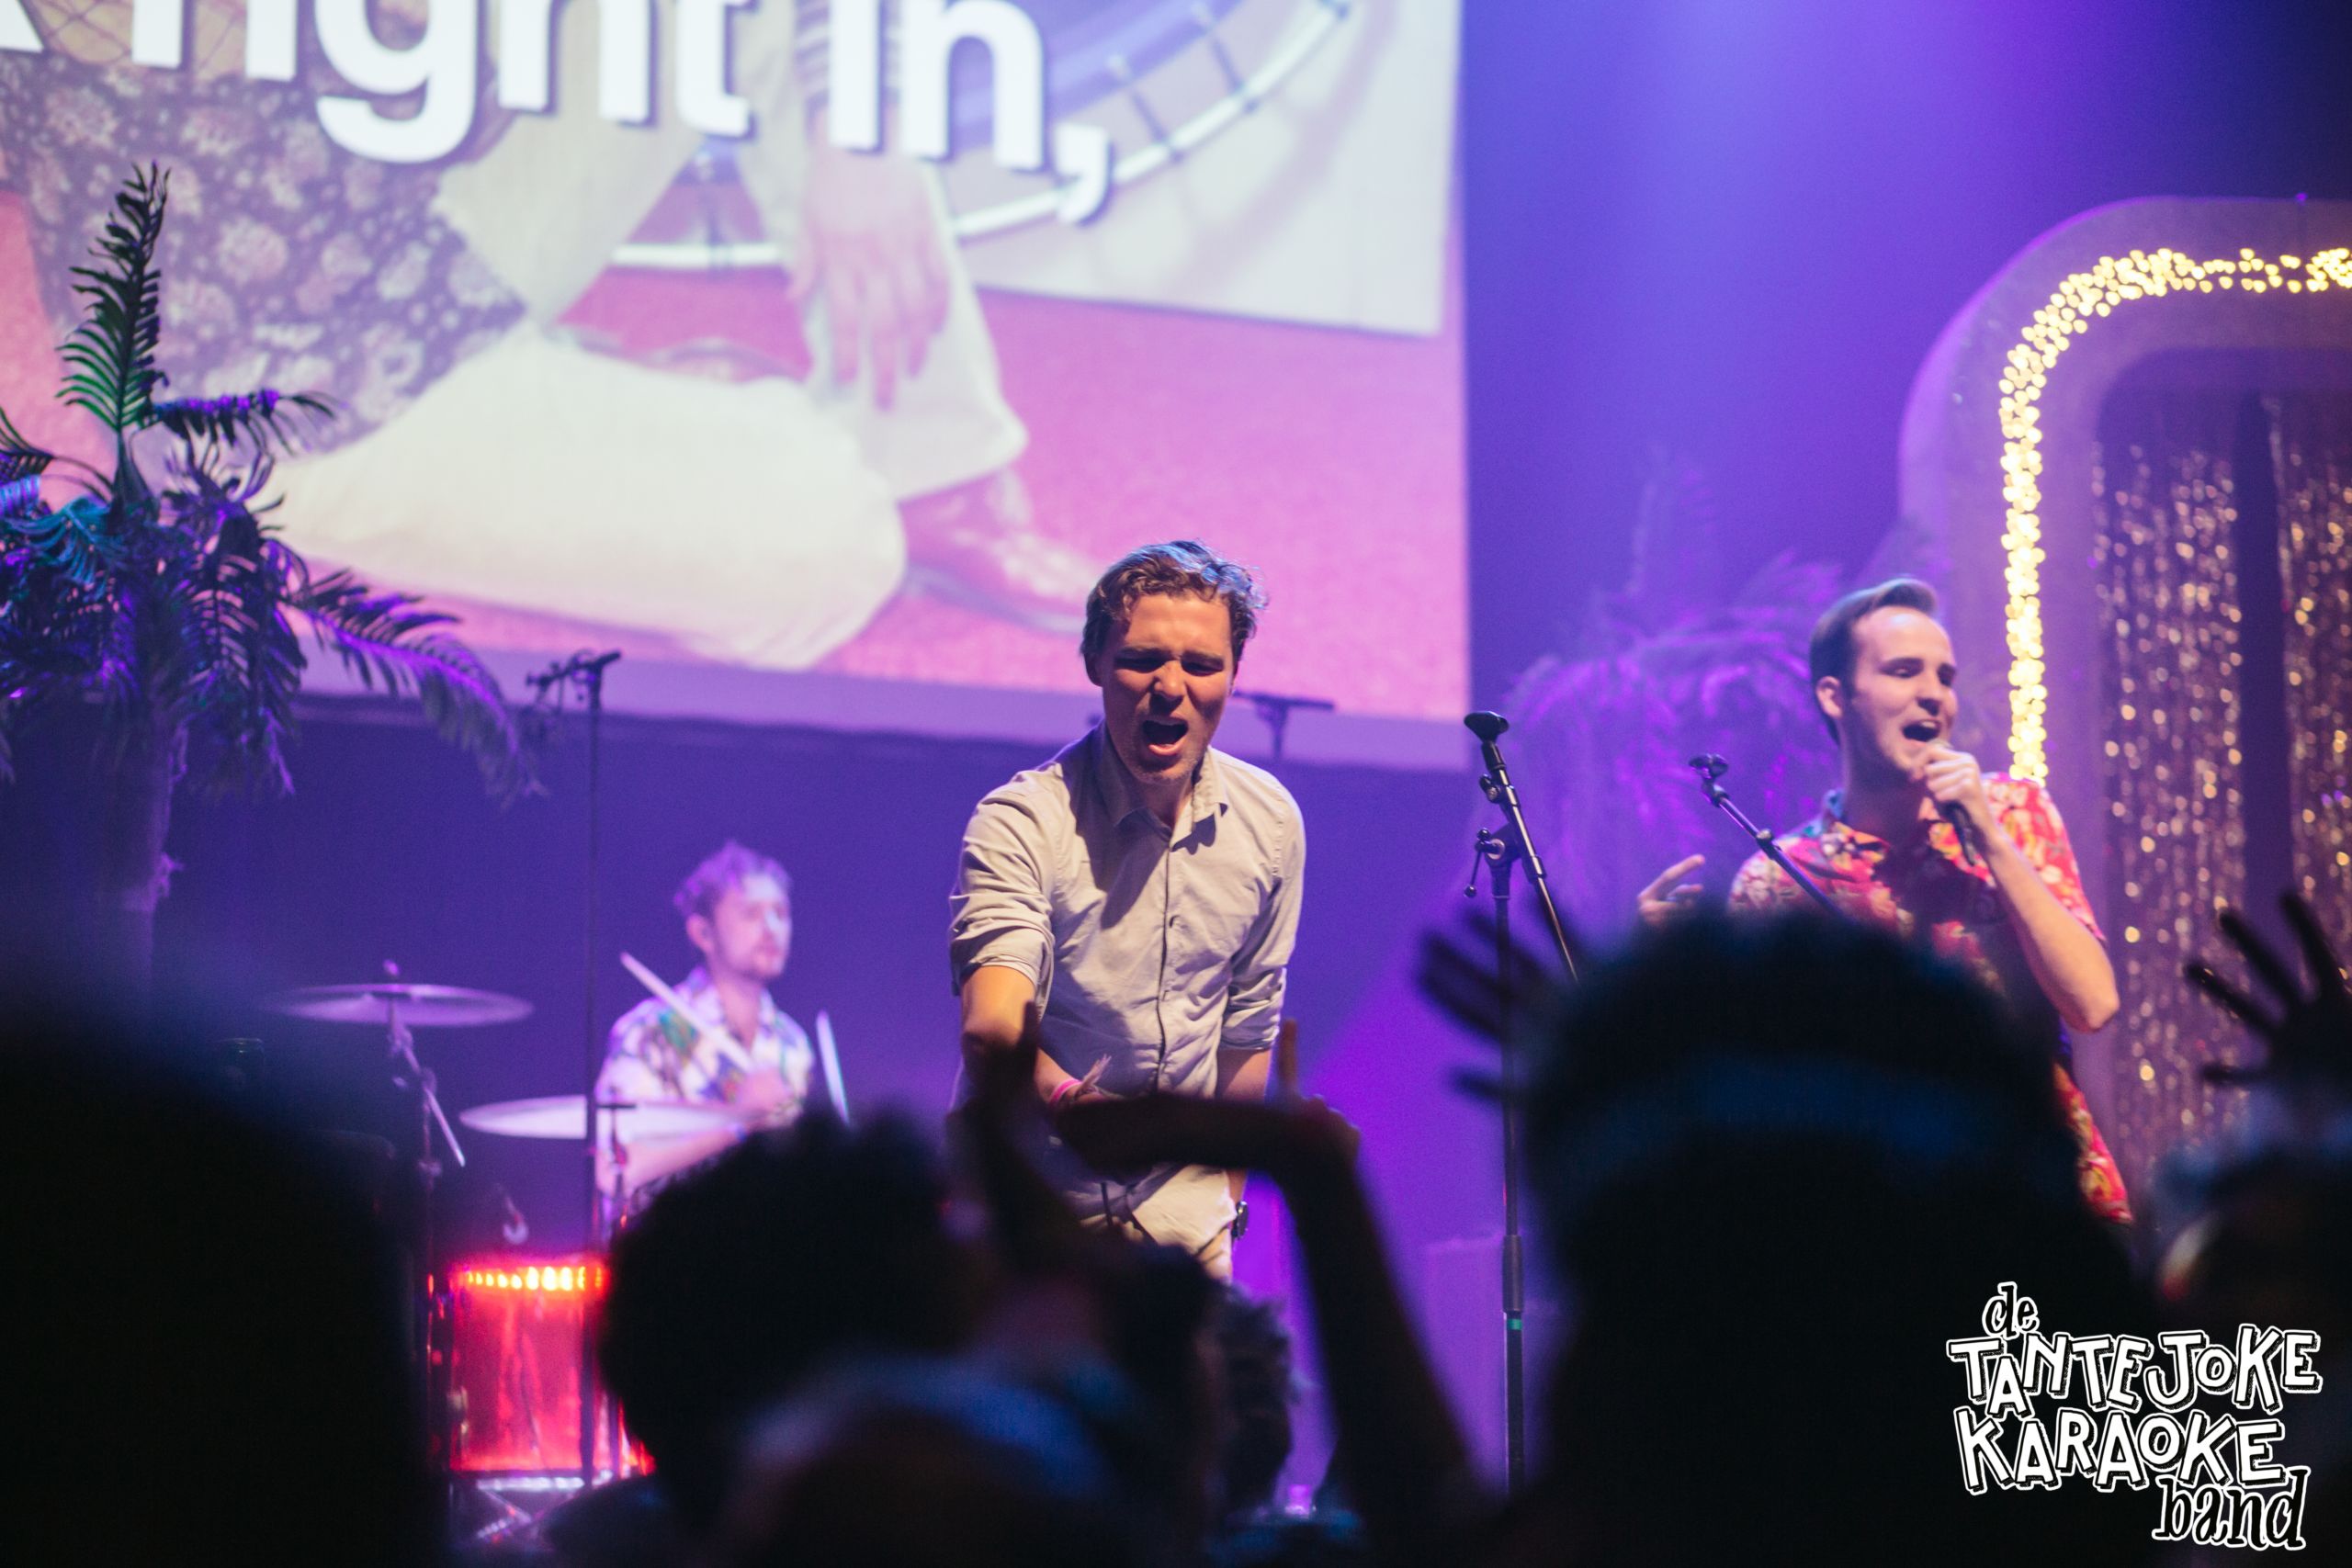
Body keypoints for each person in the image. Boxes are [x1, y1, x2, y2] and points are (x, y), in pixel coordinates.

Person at [1636, 577, 2132, 1223]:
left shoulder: (2013, 810)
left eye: (1945, 677)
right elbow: (1751, 1087)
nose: (1934, 693)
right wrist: (1669, 974)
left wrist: (1988, 837)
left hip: (2044, 1208)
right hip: (1883, 1230)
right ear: (1835, 696)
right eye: (1903, 671)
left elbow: (2093, 1003)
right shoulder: (1780, 879)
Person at [950, 541, 1304, 1279]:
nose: (1171, 687)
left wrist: (1227, 1203)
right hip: (1037, 1203)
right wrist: (1077, 1106)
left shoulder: (1271, 823)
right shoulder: (1022, 820)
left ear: (1234, 673)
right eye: (1143, 660)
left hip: (1188, 1221)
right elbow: (992, 1029)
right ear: (1096, 663)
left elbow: (1248, 1028)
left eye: (1201, 664)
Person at [597, 841, 814, 1205]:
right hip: (674, 1237)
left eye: (781, 913)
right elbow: (614, 1171)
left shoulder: (792, 1043)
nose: (772, 928)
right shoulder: (649, 1032)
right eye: (751, 913)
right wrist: (737, 1124)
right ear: (703, 933)